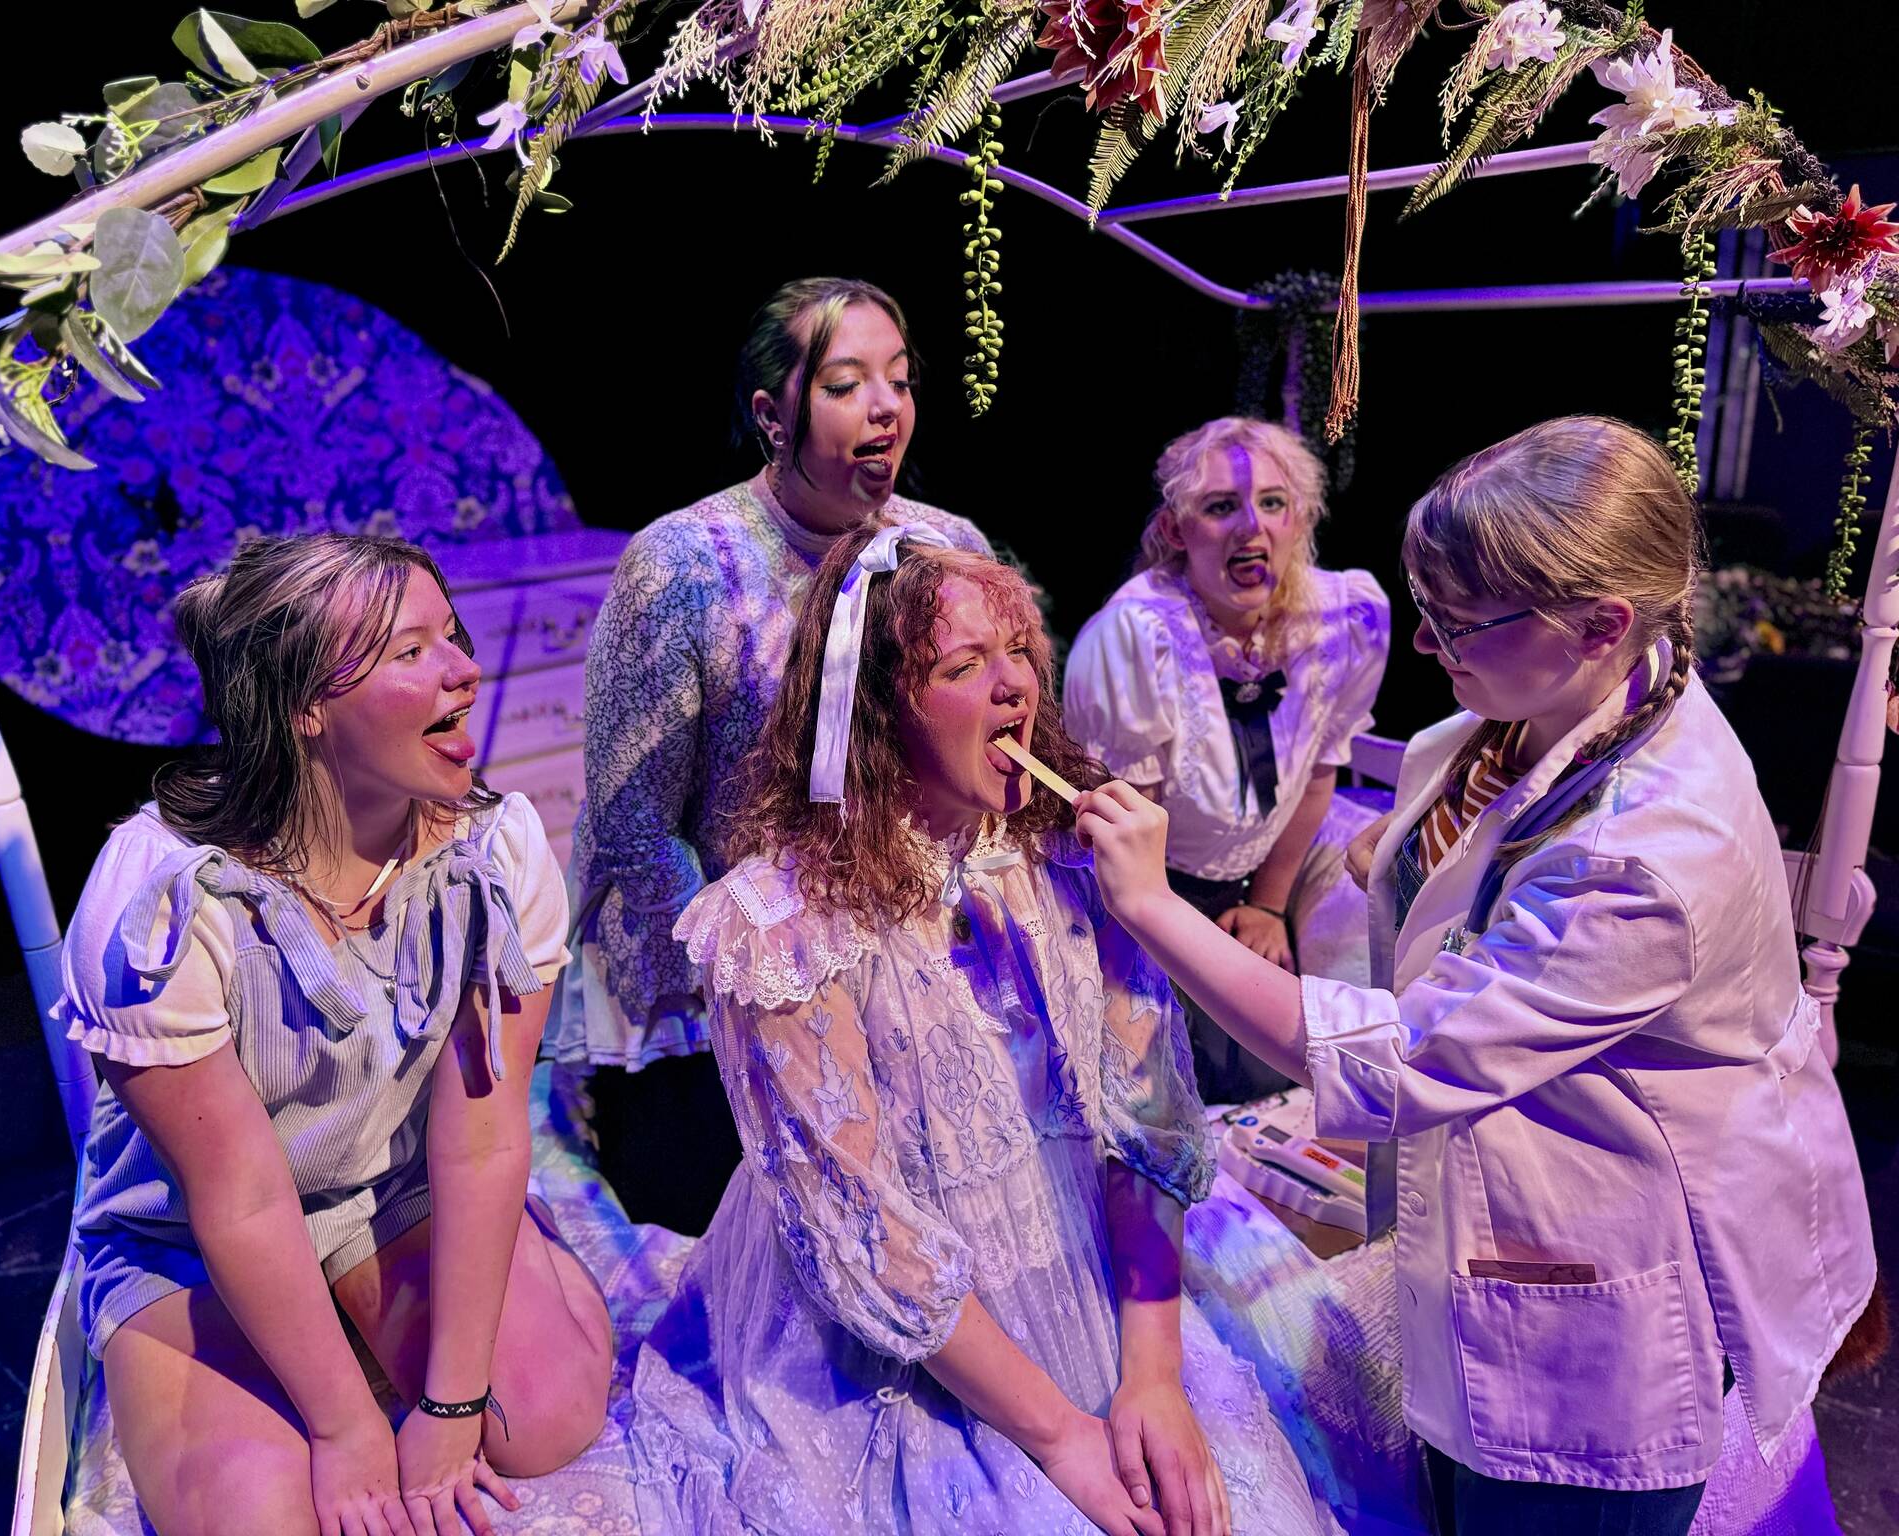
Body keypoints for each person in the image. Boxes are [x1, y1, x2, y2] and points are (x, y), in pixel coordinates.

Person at [1074, 418, 1875, 1534]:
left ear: (1598, 622)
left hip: (1590, 1310)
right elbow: (1466, 853)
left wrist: (1153, 905)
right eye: (1422, 606)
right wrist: (1379, 859)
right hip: (1483, 1213)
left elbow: (1397, 1065)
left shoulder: (1647, 854)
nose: (1420, 644)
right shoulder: (1564, 701)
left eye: (1455, 622)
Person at [627, 524, 1337, 1536]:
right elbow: (867, 1237)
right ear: (875, 712)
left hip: (1105, 1282)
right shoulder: (777, 928)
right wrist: (1058, 1437)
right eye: (964, 665)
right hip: (904, 1332)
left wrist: (1152, 1378)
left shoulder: (1085, 861)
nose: (1013, 689)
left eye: (1019, 654)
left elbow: (1146, 1131)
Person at [56, 534, 614, 1536]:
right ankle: (323, 1359)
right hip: (188, 1236)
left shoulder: (495, 854)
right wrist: (348, 1426)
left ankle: (431, 1305)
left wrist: (444, 1410)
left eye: (452, 637)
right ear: (306, 706)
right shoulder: (162, 901)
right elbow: (239, 1198)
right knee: (269, 1520)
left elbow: (482, 1136)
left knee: (546, 1420)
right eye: (411, 652)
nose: (463, 668)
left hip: (389, 1191)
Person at [552, 276, 989, 1233]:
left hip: (902, 971)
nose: (884, 407)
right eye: (844, 383)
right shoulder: (684, 564)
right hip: (727, 997)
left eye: (900, 380)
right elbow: (636, 824)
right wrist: (755, 994)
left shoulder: (945, 548)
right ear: (771, 411)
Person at [1065, 418, 1388, 1103]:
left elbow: (1316, 773)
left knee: (1307, 1065)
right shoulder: (1139, 638)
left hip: (1259, 882)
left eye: (1274, 504)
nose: (1252, 529)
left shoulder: (1344, 619)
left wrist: (1269, 907)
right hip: (1143, 896)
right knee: (1182, 1085)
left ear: (1300, 519)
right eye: (1221, 507)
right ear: (1178, 531)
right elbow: (1128, 828)